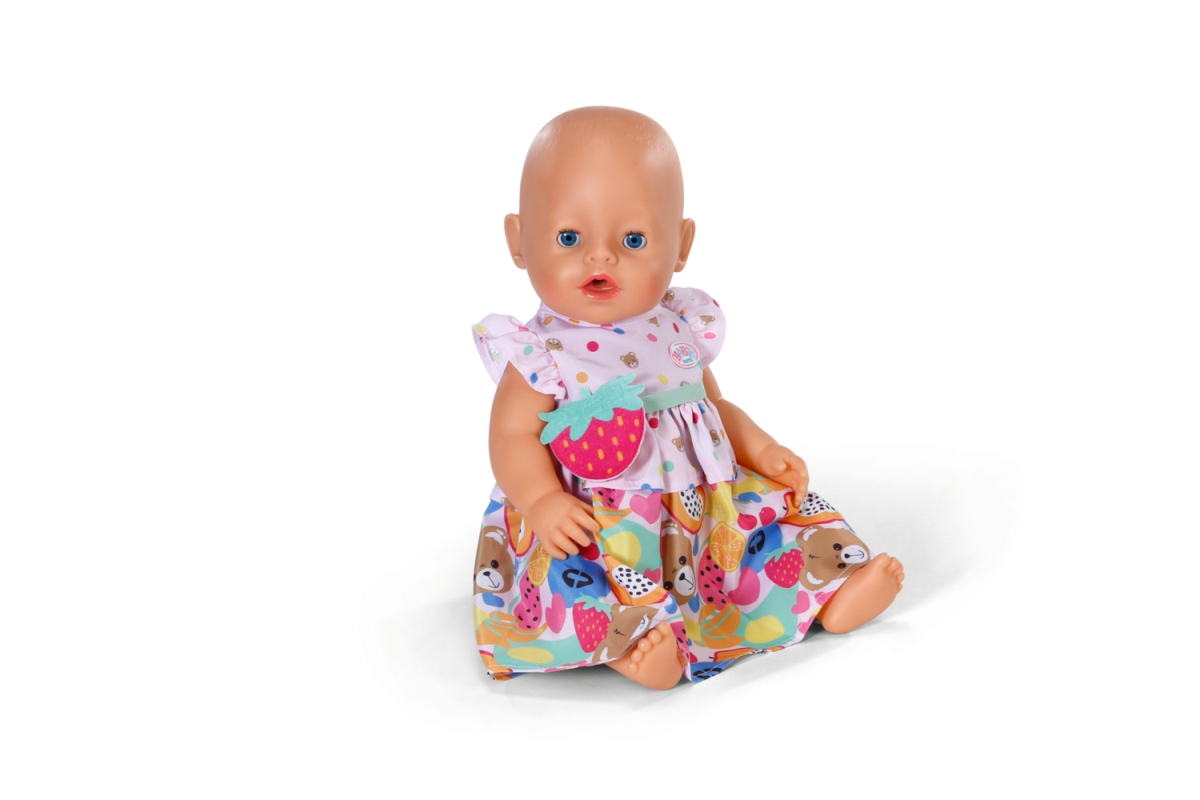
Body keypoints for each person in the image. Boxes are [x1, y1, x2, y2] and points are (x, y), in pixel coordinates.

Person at [470, 107, 904, 689]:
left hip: (703, 516)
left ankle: (828, 592)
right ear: (518, 241)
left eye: (633, 239)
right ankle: (629, 647)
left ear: (681, 245)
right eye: (569, 237)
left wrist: (761, 448)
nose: (601, 257)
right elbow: (512, 436)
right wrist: (542, 500)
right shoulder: (540, 353)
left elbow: (713, 407)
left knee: (768, 532)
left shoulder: (679, 328)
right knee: (585, 579)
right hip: (600, 522)